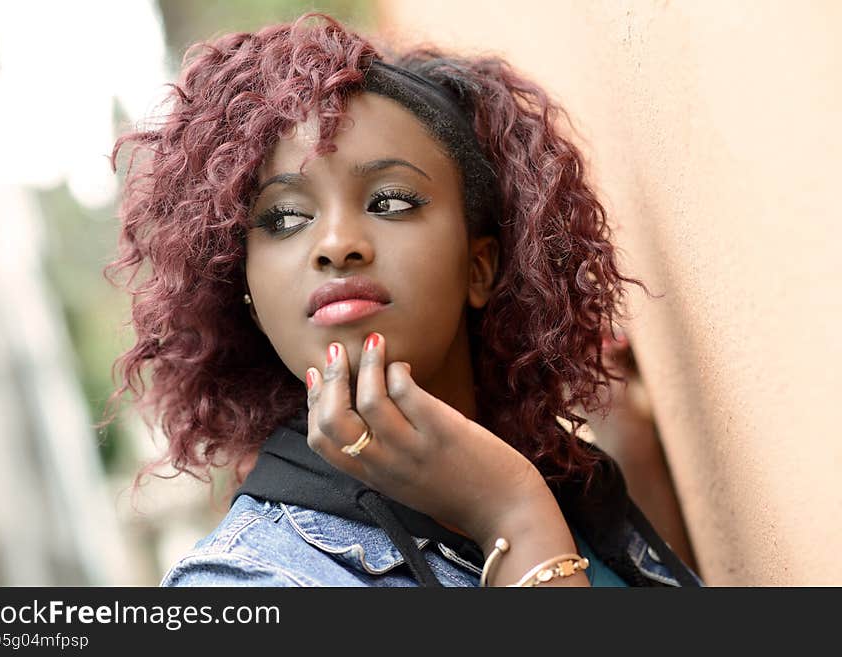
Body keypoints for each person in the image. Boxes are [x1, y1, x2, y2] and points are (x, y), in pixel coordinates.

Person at [107, 13, 702, 587]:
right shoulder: (243, 583)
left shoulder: (573, 483)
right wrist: (513, 516)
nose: (336, 245)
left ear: (479, 267)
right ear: (250, 302)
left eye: (389, 202)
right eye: (285, 217)